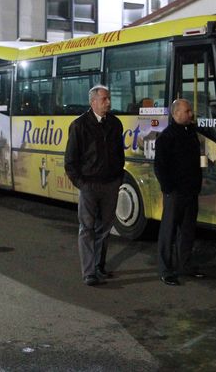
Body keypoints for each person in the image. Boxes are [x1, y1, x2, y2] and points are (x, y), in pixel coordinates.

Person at [65, 85, 125, 286]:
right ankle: (89, 272)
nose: (108, 102)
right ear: (93, 102)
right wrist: (82, 184)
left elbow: (119, 154)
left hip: (110, 184)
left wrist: (118, 178)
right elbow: (70, 161)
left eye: (108, 99)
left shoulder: (115, 124)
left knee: (105, 228)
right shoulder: (79, 125)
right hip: (90, 186)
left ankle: (99, 266)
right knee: (87, 228)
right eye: (104, 99)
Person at [154, 99, 205, 286]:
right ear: (176, 114)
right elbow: (159, 166)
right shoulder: (167, 137)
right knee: (168, 232)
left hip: (191, 190)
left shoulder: (191, 133)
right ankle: (166, 269)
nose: (191, 114)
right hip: (175, 192)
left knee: (188, 231)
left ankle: (185, 265)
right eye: (187, 111)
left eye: (191, 110)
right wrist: (168, 188)